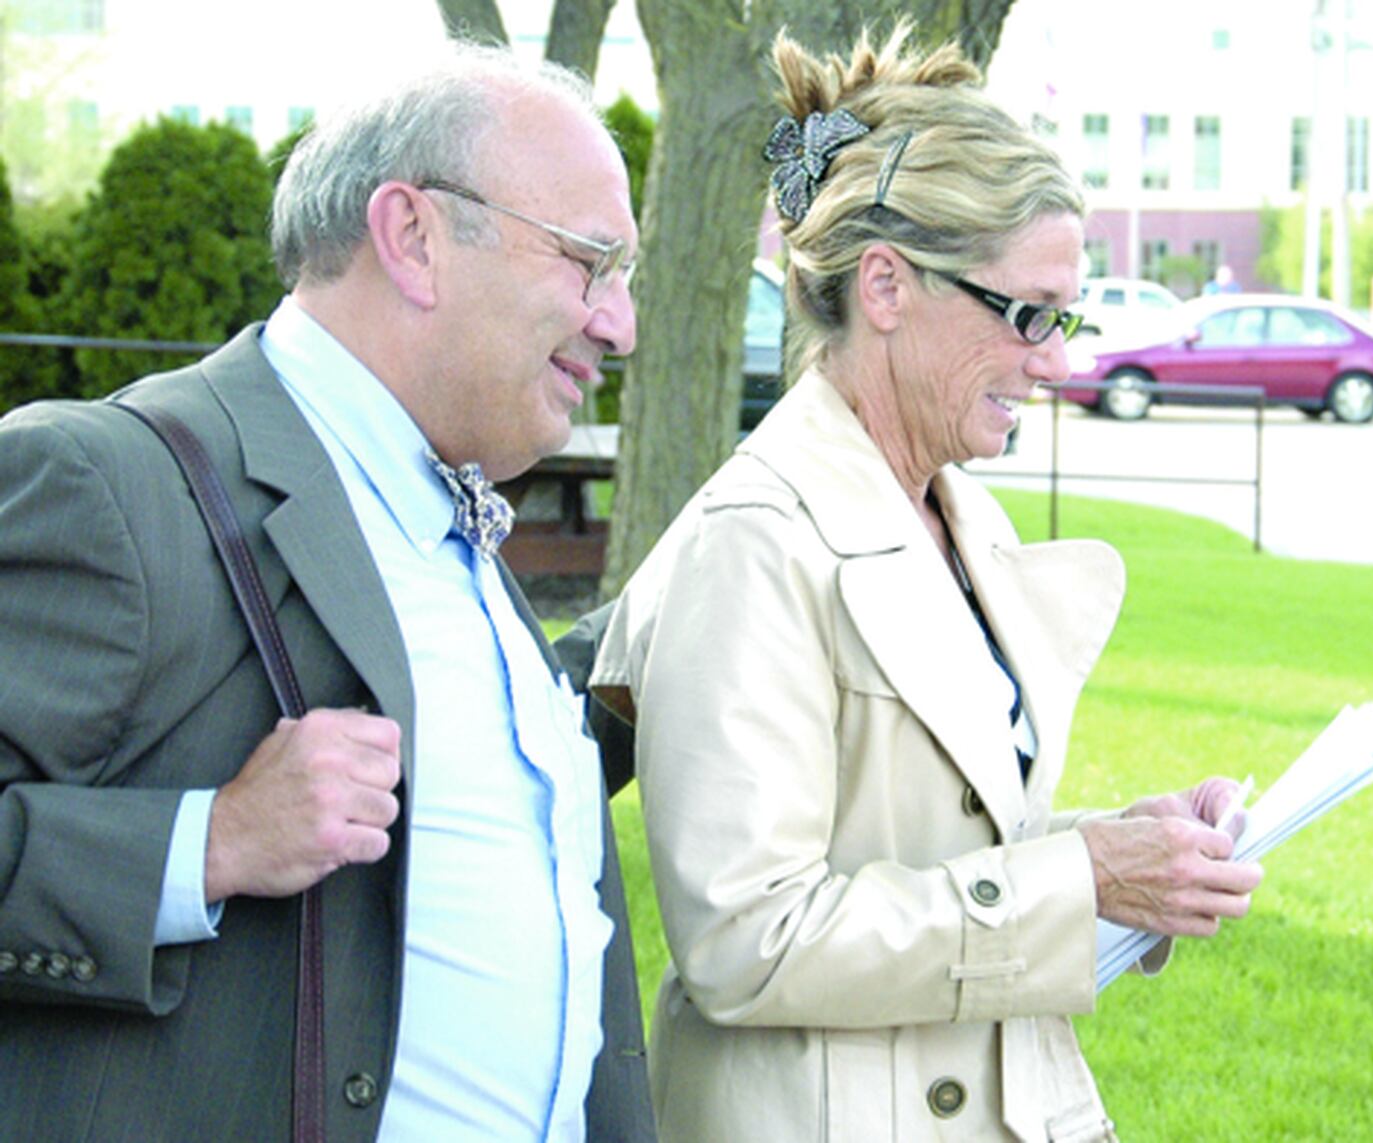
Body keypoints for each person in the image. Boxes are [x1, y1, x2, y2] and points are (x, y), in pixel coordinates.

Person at [590, 25, 1262, 1143]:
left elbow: (928, 844)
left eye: (1069, 319)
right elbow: (745, 941)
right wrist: (1081, 881)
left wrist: (1128, 851)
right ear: (889, 285)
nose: (1056, 360)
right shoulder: (752, 543)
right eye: (1029, 316)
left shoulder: (961, 515)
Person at [0, 43, 655, 1142]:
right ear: (414, 237)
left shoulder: (452, 515)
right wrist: (205, 844)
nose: (620, 323)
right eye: (593, 261)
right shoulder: (107, 484)